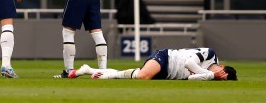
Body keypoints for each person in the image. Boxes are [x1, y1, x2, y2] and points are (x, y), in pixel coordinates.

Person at [70, 47, 237, 81]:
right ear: (221, 66)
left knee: (137, 74)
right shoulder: (211, 54)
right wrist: (209, 74)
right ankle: (107, 76)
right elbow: (188, 63)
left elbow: (192, 79)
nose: (217, 77)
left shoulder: (210, 77)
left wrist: (210, 76)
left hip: (167, 75)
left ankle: (88, 69)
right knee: (143, 76)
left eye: (221, 79)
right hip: (166, 58)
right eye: (220, 74)